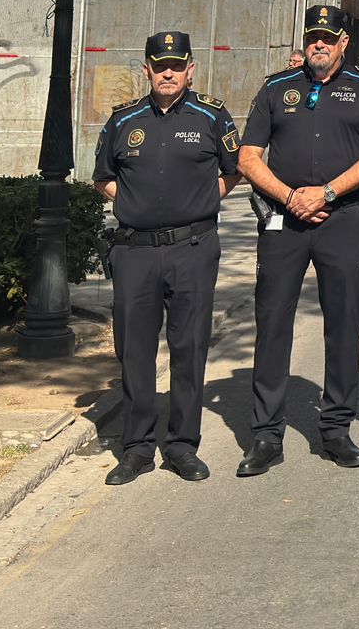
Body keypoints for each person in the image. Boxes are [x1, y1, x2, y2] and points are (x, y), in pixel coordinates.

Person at [235, 4, 359, 477]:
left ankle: (336, 430)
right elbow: (247, 158)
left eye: (328, 37)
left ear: (345, 42)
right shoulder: (276, 89)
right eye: (312, 36)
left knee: (343, 324)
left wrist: (325, 192)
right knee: (272, 322)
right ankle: (266, 436)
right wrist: (289, 196)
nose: (318, 44)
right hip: (283, 221)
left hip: (342, 218)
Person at [91, 32, 237, 485]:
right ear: (147, 70)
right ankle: (135, 448)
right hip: (135, 252)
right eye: (160, 65)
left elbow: (231, 173)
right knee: (134, 350)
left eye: (177, 65)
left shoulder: (212, 116)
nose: (169, 72)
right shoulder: (122, 121)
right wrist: (133, 207)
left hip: (193, 249)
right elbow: (103, 179)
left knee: (189, 349)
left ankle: (180, 446)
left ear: (191, 69)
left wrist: (194, 206)